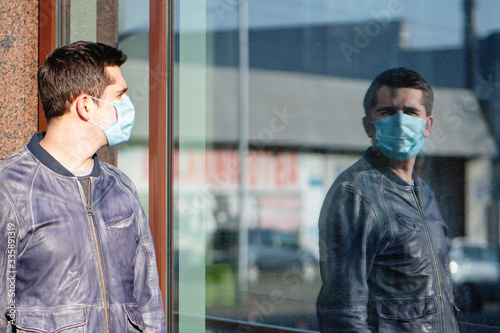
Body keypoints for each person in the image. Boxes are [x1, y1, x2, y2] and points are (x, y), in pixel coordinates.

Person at [0, 41, 166, 332]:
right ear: (86, 105)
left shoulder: (121, 188)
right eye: (120, 95)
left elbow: (149, 305)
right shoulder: (9, 190)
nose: (128, 106)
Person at [316, 68, 459, 332]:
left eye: (411, 112)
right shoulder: (354, 194)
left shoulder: (424, 194)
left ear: (427, 126)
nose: (400, 120)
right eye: (387, 112)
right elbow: (343, 313)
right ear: (368, 125)